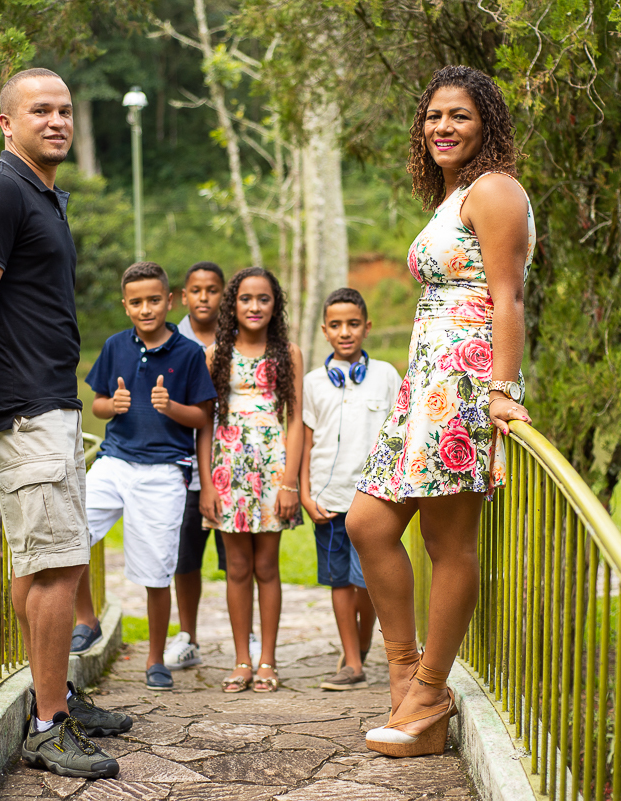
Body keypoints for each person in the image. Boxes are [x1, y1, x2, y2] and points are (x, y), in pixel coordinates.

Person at [0, 67, 121, 778]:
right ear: (7, 122)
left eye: (66, 109)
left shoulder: (42, 195)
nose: (57, 120)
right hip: (22, 407)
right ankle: (47, 727)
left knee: (46, 560)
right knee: (57, 564)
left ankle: (56, 697)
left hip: (50, 403)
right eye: (40, 109)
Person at [347, 65, 535, 758]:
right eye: (433, 117)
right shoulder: (456, 192)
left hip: (465, 382)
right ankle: (409, 672)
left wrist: (502, 394)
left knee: (448, 545)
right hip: (427, 385)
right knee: (367, 522)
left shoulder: (496, 189)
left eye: (458, 115)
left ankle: (429, 690)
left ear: (485, 121)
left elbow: (508, 297)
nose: (442, 128)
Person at [72, 261, 216, 691]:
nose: (146, 308)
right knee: (71, 533)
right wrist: (111, 405)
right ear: (125, 306)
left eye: (154, 300)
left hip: (164, 471)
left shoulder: (188, 353)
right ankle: (87, 619)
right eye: (136, 302)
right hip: (115, 461)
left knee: (156, 570)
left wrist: (170, 407)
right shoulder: (116, 345)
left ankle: (156, 659)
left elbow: (204, 418)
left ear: (169, 301)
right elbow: (96, 403)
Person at [197, 267, 303, 694]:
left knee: (266, 566)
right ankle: (241, 659)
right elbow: (205, 424)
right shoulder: (214, 353)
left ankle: (267, 660)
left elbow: (295, 421)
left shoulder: (287, 353)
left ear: (274, 304)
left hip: (272, 468)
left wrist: (289, 482)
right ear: (233, 305)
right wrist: (207, 483)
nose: (254, 306)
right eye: (245, 299)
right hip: (228, 469)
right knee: (236, 568)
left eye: (263, 299)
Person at [300, 288, 398, 692]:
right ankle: (353, 662)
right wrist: (305, 494)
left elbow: (398, 435)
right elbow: (306, 443)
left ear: (367, 327)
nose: (345, 332)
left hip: (373, 501)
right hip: (329, 500)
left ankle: (360, 641)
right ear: (325, 331)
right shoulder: (312, 383)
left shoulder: (387, 375)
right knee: (340, 580)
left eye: (353, 324)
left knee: (368, 581)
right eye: (336, 325)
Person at [163, 261, 235, 672]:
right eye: (196, 290)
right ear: (184, 296)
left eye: (212, 289)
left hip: (230, 470)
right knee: (185, 559)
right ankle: (187, 635)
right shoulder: (172, 342)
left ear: (222, 295)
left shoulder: (239, 338)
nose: (204, 297)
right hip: (183, 466)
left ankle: (244, 637)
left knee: (236, 561)